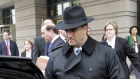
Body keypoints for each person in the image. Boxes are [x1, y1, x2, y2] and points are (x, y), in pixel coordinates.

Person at [45, 6, 125, 79]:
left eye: (73, 30)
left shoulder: (106, 53)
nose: (69, 35)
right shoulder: (55, 56)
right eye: (67, 31)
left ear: (85, 28)